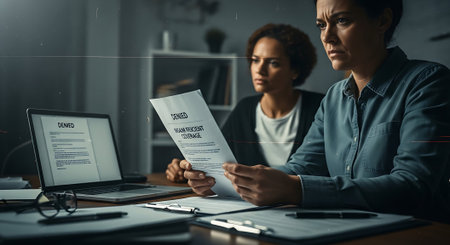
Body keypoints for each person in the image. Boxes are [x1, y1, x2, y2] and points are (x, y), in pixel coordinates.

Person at [181, 0, 450, 222]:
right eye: (321, 24)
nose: (327, 36)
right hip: (343, 231)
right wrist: (229, 182)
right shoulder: (334, 97)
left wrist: (296, 188)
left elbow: (413, 185)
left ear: (382, 21)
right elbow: (301, 166)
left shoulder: (427, 81)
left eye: (342, 21)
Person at [166, 24, 324, 183]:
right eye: (255, 60)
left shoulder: (320, 107)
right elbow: (215, 159)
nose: (260, 69)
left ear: (295, 71)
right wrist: (183, 168)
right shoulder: (244, 109)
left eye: (273, 63)